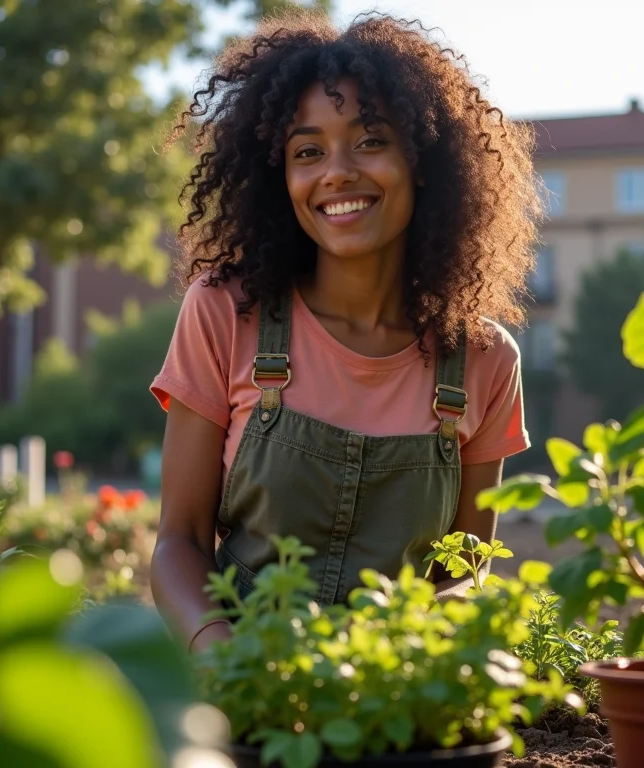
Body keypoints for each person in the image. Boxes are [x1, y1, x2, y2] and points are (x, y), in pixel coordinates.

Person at [150, 11, 541, 654]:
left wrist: (388, 667)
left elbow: (465, 573)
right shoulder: (226, 311)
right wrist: (222, 659)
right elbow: (180, 543)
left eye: (370, 140)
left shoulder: (484, 358)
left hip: (394, 697)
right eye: (307, 151)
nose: (336, 172)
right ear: (281, 176)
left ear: (423, 161)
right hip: (241, 694)